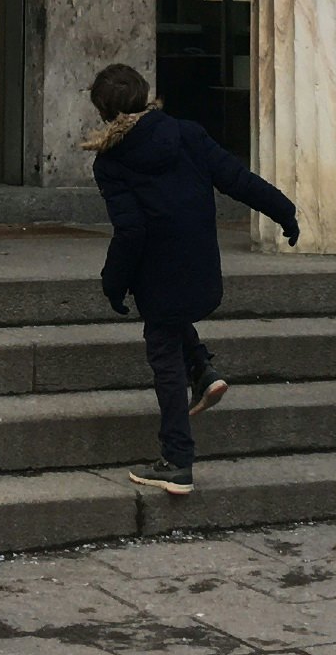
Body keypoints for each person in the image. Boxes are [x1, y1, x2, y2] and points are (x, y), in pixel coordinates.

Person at [85, 61, 300, 497]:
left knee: (164, 357)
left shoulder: (111, 161)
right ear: (145, 94)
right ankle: (202, 369)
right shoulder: (186, 134)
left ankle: (177, 461)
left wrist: (113, 282)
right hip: (199, 264)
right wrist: (284, 211)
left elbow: (131, 230)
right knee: (171, 316)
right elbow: (238, 180)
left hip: (155, 273)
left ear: (104, 112)